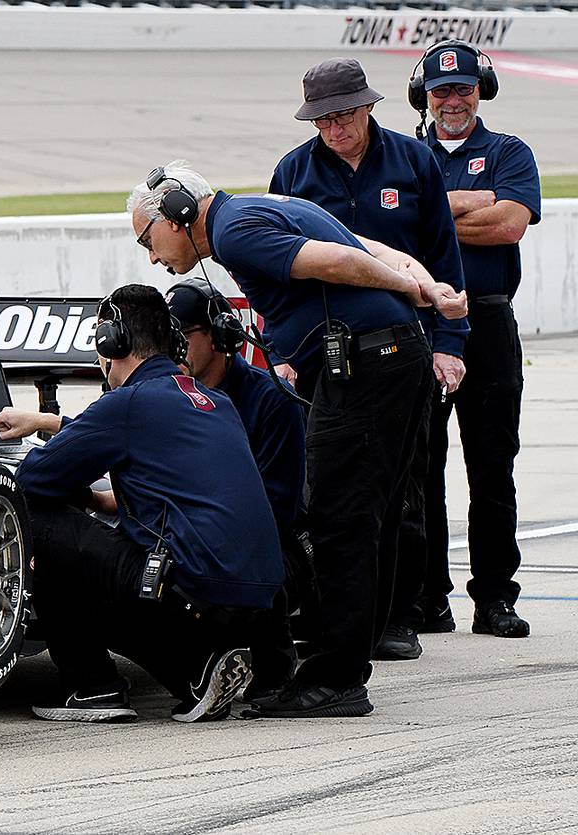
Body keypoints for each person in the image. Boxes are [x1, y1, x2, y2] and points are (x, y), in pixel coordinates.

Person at [129, 160, 465, 717]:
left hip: (368, 364)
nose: (154, 258)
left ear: (180, 214)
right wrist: (429, 286)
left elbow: (341, 260)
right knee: (368, 518)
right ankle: (346, 662)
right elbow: (375, 246)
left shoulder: (234, 232)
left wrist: (414, 289)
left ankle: (336, 678)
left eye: (149, 238)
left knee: (339, 520)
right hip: (394, 355)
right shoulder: (272, 207)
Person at [0, 284, 285, 724]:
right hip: (259, 607)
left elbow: (33, 479)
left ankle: (100, 684)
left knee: (27, 512)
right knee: (111, 549)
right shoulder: (215, 402)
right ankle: (206, 661)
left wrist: (74, 490)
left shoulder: (126, 404)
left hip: (193, 597)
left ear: (111, 343)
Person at [268, 57, 469, 662]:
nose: (335, 129)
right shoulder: (293, 171)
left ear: (370, 106)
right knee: (330, 492)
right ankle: (334, 612)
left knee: (404, 487)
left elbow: (444, 255)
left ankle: (399, 614)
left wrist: (449, 345)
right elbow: (280, 275)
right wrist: (281, 355)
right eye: (323, 119)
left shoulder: (414, 163)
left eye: (344, 115)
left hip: (401, 351)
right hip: (322, 354)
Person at [411, 40, 541, 639]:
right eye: (441, 91)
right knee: (420, 468)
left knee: (493, 468)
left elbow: (510, 222)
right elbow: (396, 232)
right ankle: (427, 599)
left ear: (480, 90)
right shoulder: (406, 155)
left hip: (488, 323)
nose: (453, 100)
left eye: (463, 88)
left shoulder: (509, 151)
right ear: (426, 97)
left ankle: (494, 598)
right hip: (420, 323)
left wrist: (435, 214)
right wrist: (469, 206)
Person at [165, 278, 308, 697]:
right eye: (165, 338)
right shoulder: (166, 396)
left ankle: (271, 667)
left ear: (219, 337)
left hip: (276, 544)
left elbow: (275, 508)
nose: (173, 349)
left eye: (182, 337)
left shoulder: (271, 401)